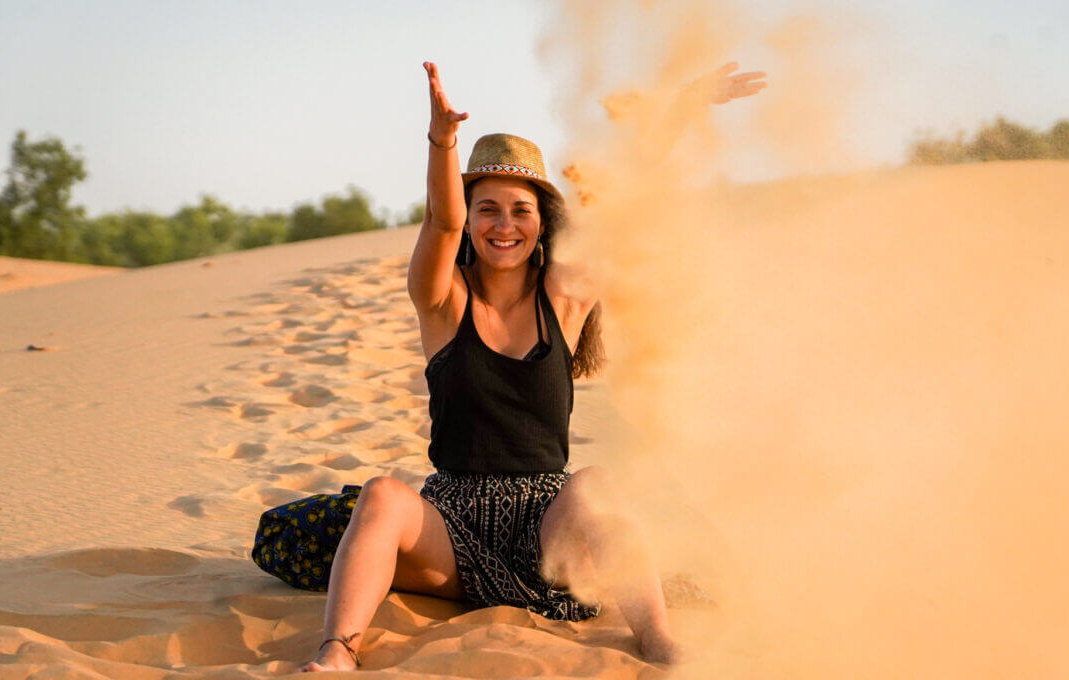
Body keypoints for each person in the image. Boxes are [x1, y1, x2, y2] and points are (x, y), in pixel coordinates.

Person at [302, 60, 766, 672]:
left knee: (598, 487)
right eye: (487, 208)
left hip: (552, 535)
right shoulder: (442, 299)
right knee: (383, 496)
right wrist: (443, 141)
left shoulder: (566, 298)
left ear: (542, 222)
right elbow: (440, 221)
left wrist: (682, 108)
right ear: (469, 218)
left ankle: (659, 643)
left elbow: (625, 204)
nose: (504, 225)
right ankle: (338, 653)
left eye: (521, 210)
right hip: (451, 531)